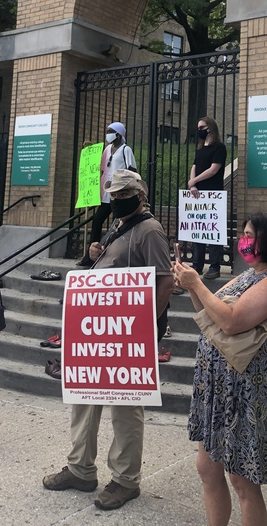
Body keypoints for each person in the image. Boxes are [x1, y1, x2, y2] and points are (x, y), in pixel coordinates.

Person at [44, 169, 174, 510]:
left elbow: (166, 281)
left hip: (129, 333)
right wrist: (92, 255)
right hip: (98, 329)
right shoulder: (118, 227)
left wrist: (144, 326)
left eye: (123, 195)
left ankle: (125, 480)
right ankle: (80, 468)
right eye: (113, 196)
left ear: (140, 195)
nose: (117, 200)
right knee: (84, 399)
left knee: (125, 406)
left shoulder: (150, 231)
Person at [173, 211, 267, 526]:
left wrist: (197, 284)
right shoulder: (249, 274)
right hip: (216, 386)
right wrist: (191, 283)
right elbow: (210, 310)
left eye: (249, 235)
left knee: (242, 479)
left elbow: (231, 323)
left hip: (244, 392)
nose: (242, 241)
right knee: (207, 467)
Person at [77, 122, 137, 268]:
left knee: (119, 225)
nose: (107, 134)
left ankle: (116, 256)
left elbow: (132, 169)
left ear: (118, 134)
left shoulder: (125, 149)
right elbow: (99, 165)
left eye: (110, 131)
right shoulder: (107, 149)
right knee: (97, 221)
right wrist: (89, 149)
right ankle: (90, 256)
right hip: (106, 192)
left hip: (118, 191)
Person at [187, 116, 227, 280]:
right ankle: (197, 265)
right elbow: (194, 166)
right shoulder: (200, 148)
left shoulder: (219, 147)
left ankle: (214, 266)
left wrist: (195, 180)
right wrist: (192, 185)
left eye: (202, 127)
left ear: (210, 128)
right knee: (198, 230)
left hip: (213, 193)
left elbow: (213, 170)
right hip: (198, 194)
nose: (199, 131)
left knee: (213, 231)